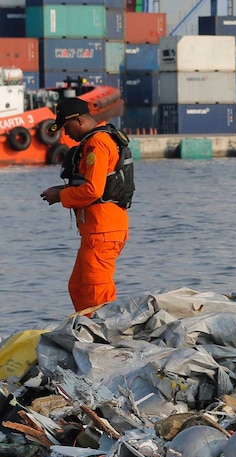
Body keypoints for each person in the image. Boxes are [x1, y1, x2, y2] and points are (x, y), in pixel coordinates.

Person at [40, 97, 130, 313]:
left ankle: (107, 337)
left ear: (79, 121)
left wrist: (60, 196)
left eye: (67, 127)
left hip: (103, 230)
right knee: (79, 287)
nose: (66, 134)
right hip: (96, 230)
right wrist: (62, 191)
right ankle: (88, 329)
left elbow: (93, 190)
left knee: (97, 291)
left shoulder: (97, 143)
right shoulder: (96, 140)